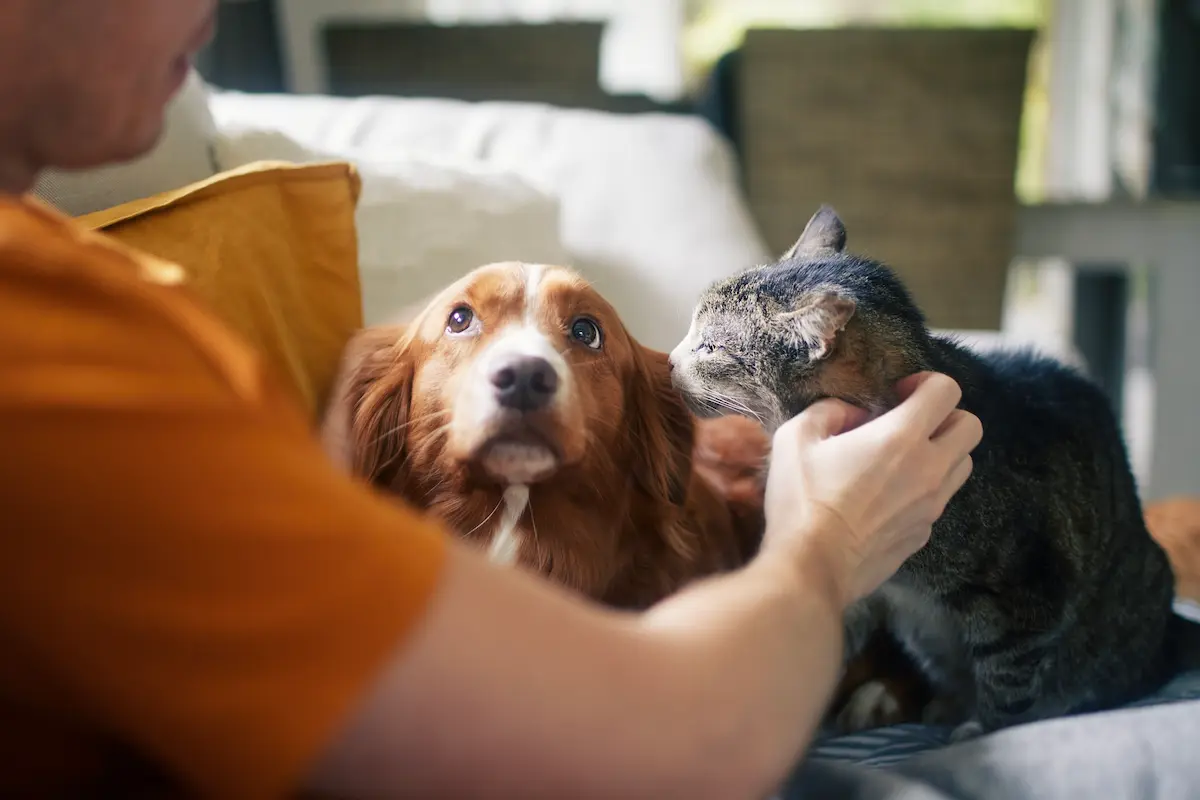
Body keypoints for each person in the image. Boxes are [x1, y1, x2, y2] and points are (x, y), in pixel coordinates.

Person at [0, 2, 988, 798]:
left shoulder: (84, 293)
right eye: (467, 324)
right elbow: (679, 741)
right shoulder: (44, 342)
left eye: (582, 336)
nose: (212, 11)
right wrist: (829, 539)